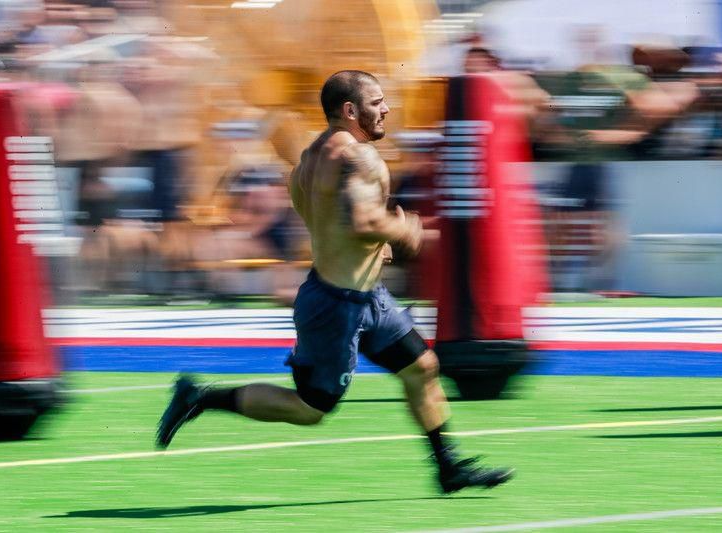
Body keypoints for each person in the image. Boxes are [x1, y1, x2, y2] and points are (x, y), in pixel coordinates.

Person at [156, 70, 514, 493]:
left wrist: (368, 248)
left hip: (365, 297)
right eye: (377, 102)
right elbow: (363, 220)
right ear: (350, 111)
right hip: (335, 306)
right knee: (311, 409)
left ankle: (448, 467)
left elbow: (322, 221)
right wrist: (405, 229)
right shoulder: (355, 157)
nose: (386, 109)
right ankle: (200, 396)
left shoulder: (308, 160)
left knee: (422, 368)